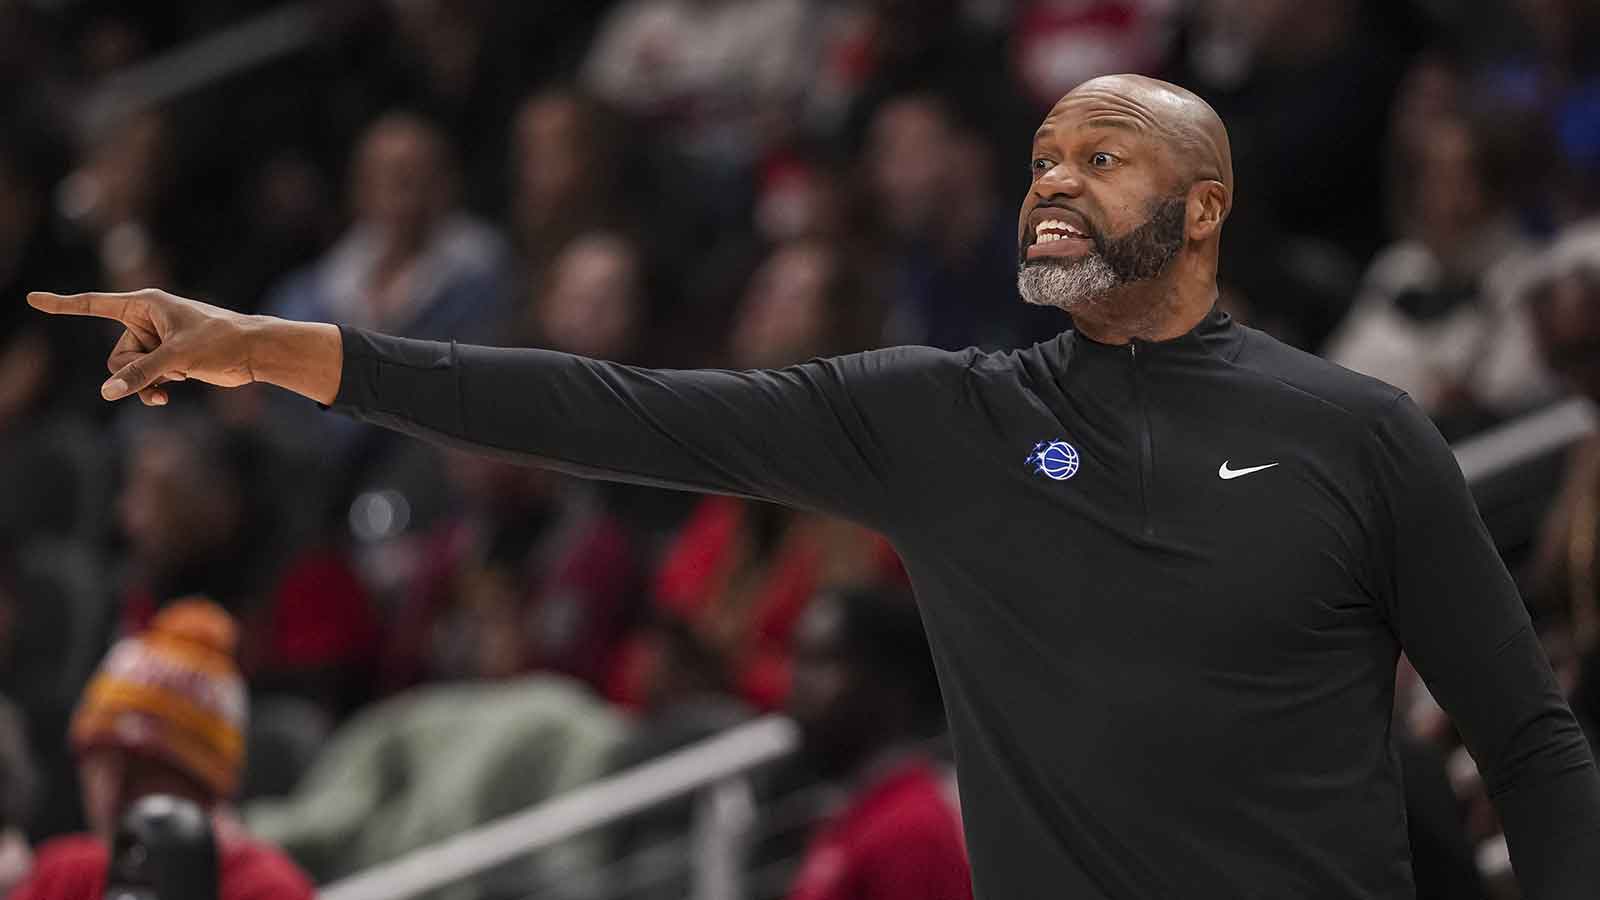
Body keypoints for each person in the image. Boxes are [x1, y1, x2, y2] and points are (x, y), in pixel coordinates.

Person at [26, 73, 1600, 898]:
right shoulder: (942, 419)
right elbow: (606, 407)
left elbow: (1526, 738)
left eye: (1100, 157)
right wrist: (277, 348)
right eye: (1044, 154)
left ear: (1200, 212)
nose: (1053, 179)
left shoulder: (1359, 432)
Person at [5, 599, 313, 900]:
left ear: (208, 789)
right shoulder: (63, 876)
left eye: (147, 772)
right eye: (102, 763)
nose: (114, 794)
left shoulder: (268, 890)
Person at [784, 586, 970, 900]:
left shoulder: (911, 832)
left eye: (823, 662)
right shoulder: (857, 816)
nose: (797, 684)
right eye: (799, 661)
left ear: (892, 683)